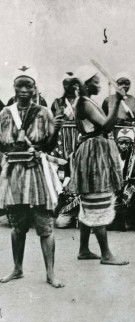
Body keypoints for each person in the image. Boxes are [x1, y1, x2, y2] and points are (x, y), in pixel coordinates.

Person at [0, 67, 65, 288]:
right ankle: (17, 269)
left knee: (44, 224)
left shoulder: (44, 112)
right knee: (17, 224)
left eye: (29, 85)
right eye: (20, 85)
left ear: (35, 88)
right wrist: (11, 150)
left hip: (37, 171)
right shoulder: (6, 113)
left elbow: (49, 144)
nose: (24, 90)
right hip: (15, 173)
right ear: (14, 88)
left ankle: (50, 273)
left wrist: (53, 133)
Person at [69, 64, 128, 266]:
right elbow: (107, 125)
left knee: (89, 201)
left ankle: (84, 249)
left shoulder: (86, 101)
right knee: (98, 199)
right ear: (86, 84)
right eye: (96, 81)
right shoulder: (84, 103)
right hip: (93, 155)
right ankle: (106, 254)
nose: (100, 85)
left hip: (93, 151)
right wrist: (117, 101)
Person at [50, 72, 82, 229]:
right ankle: (60, 207)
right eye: (66, 83)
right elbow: (52, 124)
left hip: (78, 137)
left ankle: (76, 209)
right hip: (61, 139)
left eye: (72, 83)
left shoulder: (81, 102)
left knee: (77, 170)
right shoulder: (57, 103)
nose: (69, 86)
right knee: (61, 173)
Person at [102, 72, 135, 180]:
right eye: (120, 83)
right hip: (115, 130)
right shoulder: (108, 100)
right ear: (115, 84)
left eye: (127, 83)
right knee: (114, 154)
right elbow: (103, 120)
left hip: (132, 129)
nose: (124, 86)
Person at [113, 128, 135, 233]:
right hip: (116, 188)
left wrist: (126, 181)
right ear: (117, 143)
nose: (123, 146)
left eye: (126, 143)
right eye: (121, 143)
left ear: (132, 144)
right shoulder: (113, 157)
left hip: (131, 186)